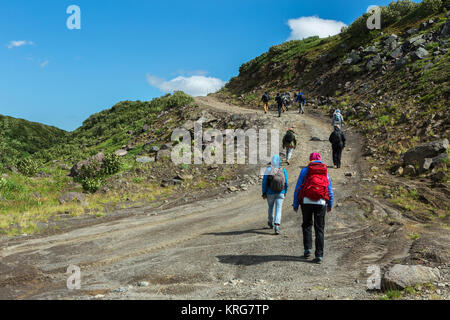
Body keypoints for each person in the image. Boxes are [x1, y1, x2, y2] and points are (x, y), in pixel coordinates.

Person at [293, 152, 333, 264]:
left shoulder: (305, 170)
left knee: (307, 225)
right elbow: (329, 189)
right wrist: (330, 203)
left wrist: (295, 204)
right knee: (319, 228)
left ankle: (307, 250)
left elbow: (298, 188)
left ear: (310, 159)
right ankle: (319, 255)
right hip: (321, 202)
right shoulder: (325, 171)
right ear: (320, 159)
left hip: (306, 201)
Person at [262, 155, 289, 235]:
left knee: (270, 207)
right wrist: (285, 191)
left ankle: (270, 222)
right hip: (281, 192)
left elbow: (264, 183)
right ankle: (277, 225)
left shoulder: (268, 169)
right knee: (279, 209)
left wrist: (264, 193)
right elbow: (286, 183)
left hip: (270, 193)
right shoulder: (283, 170)